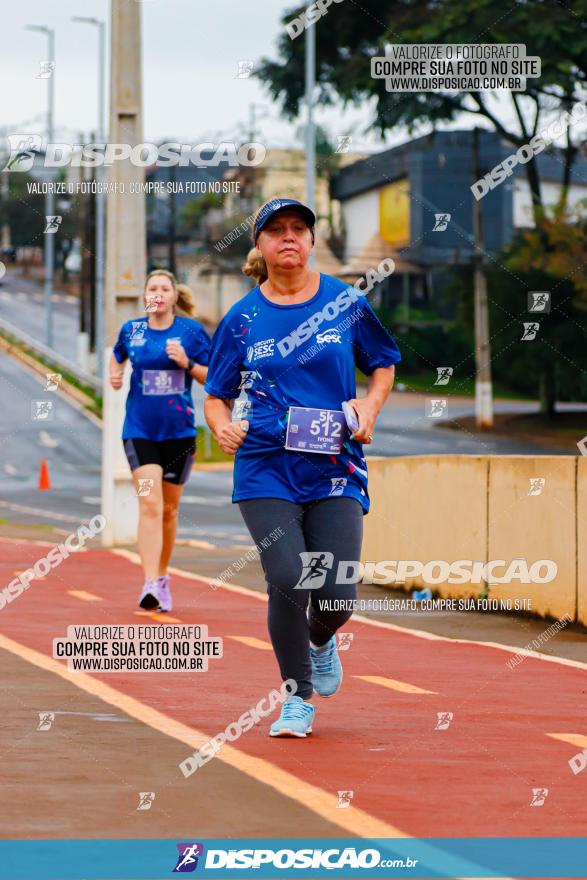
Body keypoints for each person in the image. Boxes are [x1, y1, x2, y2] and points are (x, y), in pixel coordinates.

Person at [204, 198, 401, 737]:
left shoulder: (345, 302)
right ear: (260, 245)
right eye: (275, 231)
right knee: (288, 577)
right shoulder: (242, 318)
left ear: (312, 240)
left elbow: (383, 363)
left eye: (298, 229)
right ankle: (297, 698)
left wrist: (370, 405)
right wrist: (221, 425)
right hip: (265, 465)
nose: (288, 238)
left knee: (336, 594)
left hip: (335, 464)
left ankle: (321, 637)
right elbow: (216, 394)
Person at [110, 269, 211, 611]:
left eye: (163, 288)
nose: (157, 293)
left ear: (172, 297)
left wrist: (187, 363)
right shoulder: (132, 330)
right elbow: (117, 353)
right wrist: (115, 370)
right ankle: (149, 582)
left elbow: (213, 377)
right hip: (139, 433)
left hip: (179, 435)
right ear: (145, 296)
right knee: (150, 504)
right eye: (151, 287)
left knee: (168, 510)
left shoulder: (191, 332)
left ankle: (163, 577)